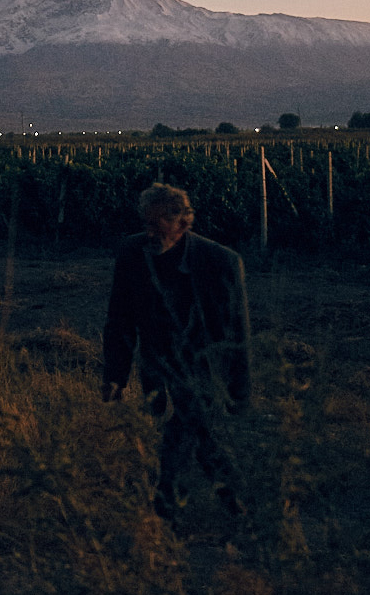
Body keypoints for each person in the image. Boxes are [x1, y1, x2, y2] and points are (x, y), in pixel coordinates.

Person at [102, 183, 252, 522]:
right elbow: (120, 318)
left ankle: (167, 506)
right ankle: (239, 507)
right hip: (159, 366)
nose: (150, 233)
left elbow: (238, 334)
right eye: (147, 223)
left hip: (204, 367)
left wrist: (240, 392)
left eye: (159, 225)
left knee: (184, 430)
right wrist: (115, 375)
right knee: (202, 437)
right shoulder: (132, 254)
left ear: (184, 223)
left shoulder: (222, 263)